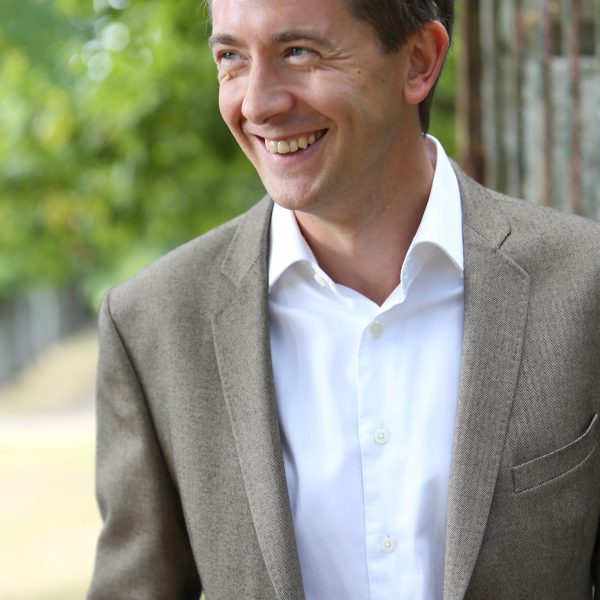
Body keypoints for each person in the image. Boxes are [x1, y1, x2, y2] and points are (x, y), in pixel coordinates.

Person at [88, 0, 600, 598]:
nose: (256, 104)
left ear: (419, 60)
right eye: (231, 57)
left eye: (298, 52)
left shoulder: (584, 288)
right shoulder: (152, 326)